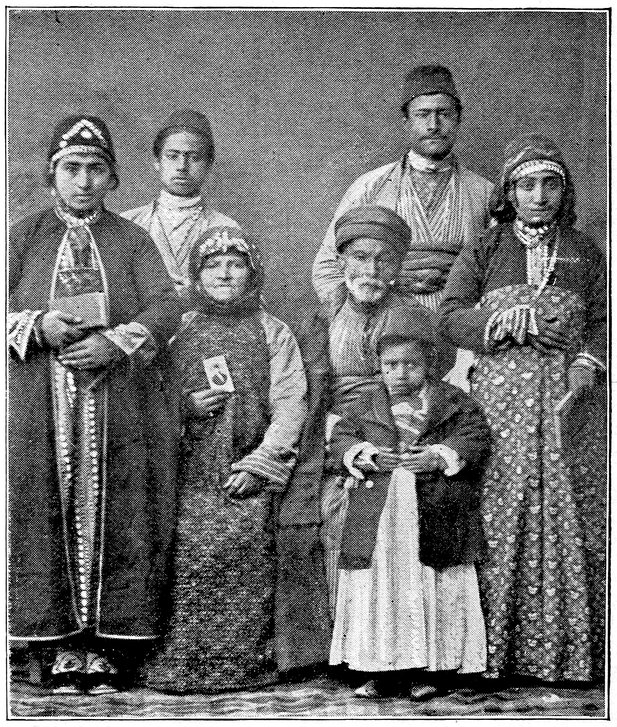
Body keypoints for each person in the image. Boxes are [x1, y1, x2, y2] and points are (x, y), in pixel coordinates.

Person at [8, 115, 183, 694]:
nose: (83, 181)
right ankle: (57, 645)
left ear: (112, 177)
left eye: (96, 169)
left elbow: (165, 308)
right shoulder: (24, 236)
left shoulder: (131, 240)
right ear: (51, 175)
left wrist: (115, 342)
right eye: (72, 169)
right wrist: (38, 325)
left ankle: (108, 647)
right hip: (40, 402)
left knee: (119, 511)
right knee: (42, 508)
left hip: (117, 404)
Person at [439, 134, 607, 682]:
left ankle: (564, 653)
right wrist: (501, 324)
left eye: (549, 185)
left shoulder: (585, 251)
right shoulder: (486, 248)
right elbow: (450, 317)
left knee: (572, 505)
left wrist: (587, 365)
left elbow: (603, 321)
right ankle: (491, 655)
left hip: (568, 399)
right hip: (501, 397)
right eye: (527, 185)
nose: (538, 196)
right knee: (500, 503)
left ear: (564, 191)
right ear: (509, 192)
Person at [144, 226, 308, 693]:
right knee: (183, 553)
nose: (224, 273)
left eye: (236, 265)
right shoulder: (177, 330)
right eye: (213, 266)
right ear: (196, 275)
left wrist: (260, 464)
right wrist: (184, 406)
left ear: (252, 274)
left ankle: (241, 666)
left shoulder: (273, 331)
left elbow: (290, 402)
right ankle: (179, 665)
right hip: (184, 470)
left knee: (245, 551)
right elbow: (149, 392)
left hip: (244, 467)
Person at [292, 205, 454, 623]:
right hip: (333, 434)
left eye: (384, 260)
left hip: (400, 431)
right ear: (341, 261)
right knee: (321, 517)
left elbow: (433, 385)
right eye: (360, 258)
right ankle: (341, 636)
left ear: (398, 266)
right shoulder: (322, 316)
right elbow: (308, 392)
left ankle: (397, 635)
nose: (371, 270)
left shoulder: (416, 316)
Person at [329, 306, 490, 700]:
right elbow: (340, 439)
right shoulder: (364, 403)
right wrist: (364, 455)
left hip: (433, 507)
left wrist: (438, 455)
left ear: (429, 364)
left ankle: (430, 669)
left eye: (411, 364)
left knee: (429, 583)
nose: (400, 373)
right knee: (380, 587)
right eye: (391, 365)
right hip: (380, 513)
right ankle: (379, 668)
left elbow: (475, 437)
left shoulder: (453, 401)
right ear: (379, 366)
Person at [312, 65, 493, 389]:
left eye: (444, 114)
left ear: (458, 119)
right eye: (423, 115)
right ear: (406, 121)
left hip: (460, 339)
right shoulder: (371, 187)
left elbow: (498, 276)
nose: (434, 125)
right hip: (386, 347)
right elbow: (327, 267)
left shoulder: (485, 194)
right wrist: (363, 317)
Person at [123, 109, 239, 298]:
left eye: (194, 158)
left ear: (209, 165)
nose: (182, 167)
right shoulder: (128, 223)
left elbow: (245, 299)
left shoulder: (225, 228)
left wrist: (198, 293)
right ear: (157, 162)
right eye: (172, 156)